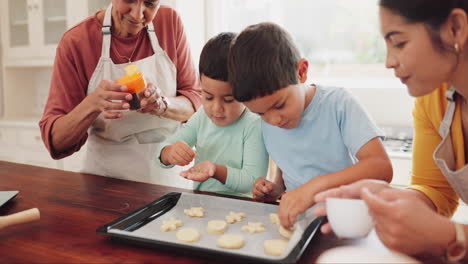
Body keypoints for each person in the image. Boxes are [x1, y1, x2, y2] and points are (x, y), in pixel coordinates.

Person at [314, 0, 468, 261]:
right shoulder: (434, 98)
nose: (388, 62)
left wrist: (452, 236)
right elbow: (435, 189)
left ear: (454, 28)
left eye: (399, 43)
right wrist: (387, 200)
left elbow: (447, 232)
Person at [227, 22, 393, 229]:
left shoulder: (339, 104)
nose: (274, 120)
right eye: (260, 113)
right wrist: (277, 188)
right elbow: (290, 159)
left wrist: (313, 188)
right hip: (302, 224)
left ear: (301, 71)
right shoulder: (269, 120)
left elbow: (381, 167)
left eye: (279, 105)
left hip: (348, 222)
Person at [39, 0, 201, 185]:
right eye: (129, 0)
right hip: (108, 182)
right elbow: (56, 142)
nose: (137, 14)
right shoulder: (76, 41)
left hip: (170, 176)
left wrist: (163, 105)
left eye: (150, 4)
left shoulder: (169, 21)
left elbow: (195, 102)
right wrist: (92, 104)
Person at [158, 32, 269, 197]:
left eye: (229, 100)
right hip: (201, 203)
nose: (216, 108)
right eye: (208, 97)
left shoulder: (254, 124)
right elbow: (162, 150)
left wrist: (215, 170)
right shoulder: (202, 116)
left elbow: (252, 180)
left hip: (241, 209)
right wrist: (169, 153)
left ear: (247, 91)